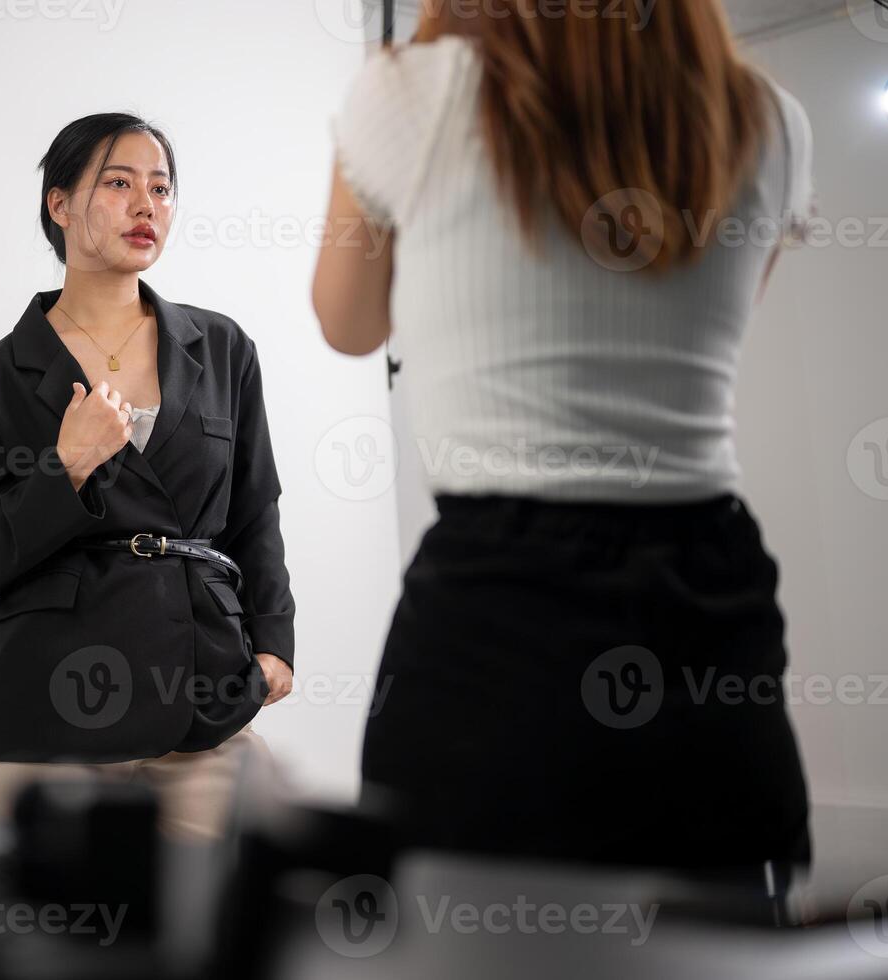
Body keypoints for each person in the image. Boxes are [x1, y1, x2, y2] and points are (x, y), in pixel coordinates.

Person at [313, 1, 814, 874]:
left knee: (465, 945)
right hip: (706, 597)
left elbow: (349, 323)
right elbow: (710, 328)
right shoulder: (768, 117)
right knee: (715, 939)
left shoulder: (410, 90)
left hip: (496, 600)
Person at [0, 113, 295, 842]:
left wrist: (272, 645)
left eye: (162, 188)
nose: (147, 206)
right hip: (53, 706)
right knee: (58, 948)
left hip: (203, 695)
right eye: (118, 183)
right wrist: (67, 463)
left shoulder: (223, 347)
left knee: (222, 933)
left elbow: (255, 508)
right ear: (59, 204)